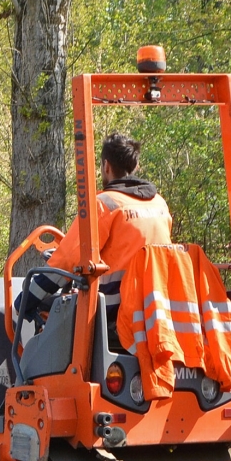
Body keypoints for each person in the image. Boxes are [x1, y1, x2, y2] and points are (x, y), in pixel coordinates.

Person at [25, 133, 172, 332]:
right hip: (154, 310)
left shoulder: (104, 204)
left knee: (48, 309)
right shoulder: (159, 204)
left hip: (112, 313)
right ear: (135, 166)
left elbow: (68, 260)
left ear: (106, 166)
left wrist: (27, 299)